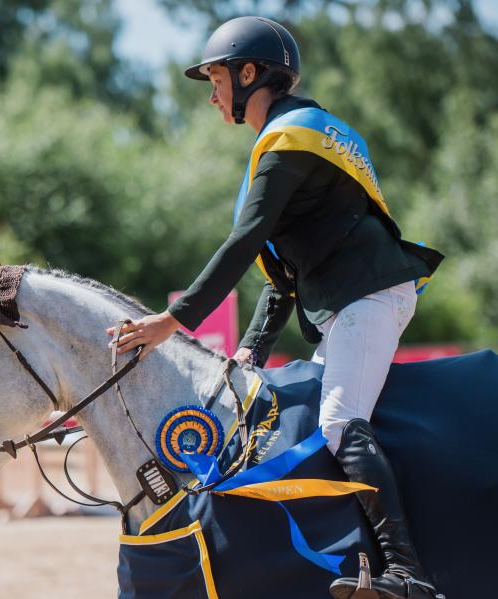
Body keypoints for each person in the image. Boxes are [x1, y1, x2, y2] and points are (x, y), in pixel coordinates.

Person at [106, 16, 445, 599]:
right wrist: (248, 353)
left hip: (367, 296)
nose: (211, 95)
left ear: (248, 74)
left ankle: (408, 574)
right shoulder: (292, 138)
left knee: (338, 424)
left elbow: (245, 240)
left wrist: (173, 321)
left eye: (215, 79)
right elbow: (281, 278)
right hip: (349, 301)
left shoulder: (293, 138)